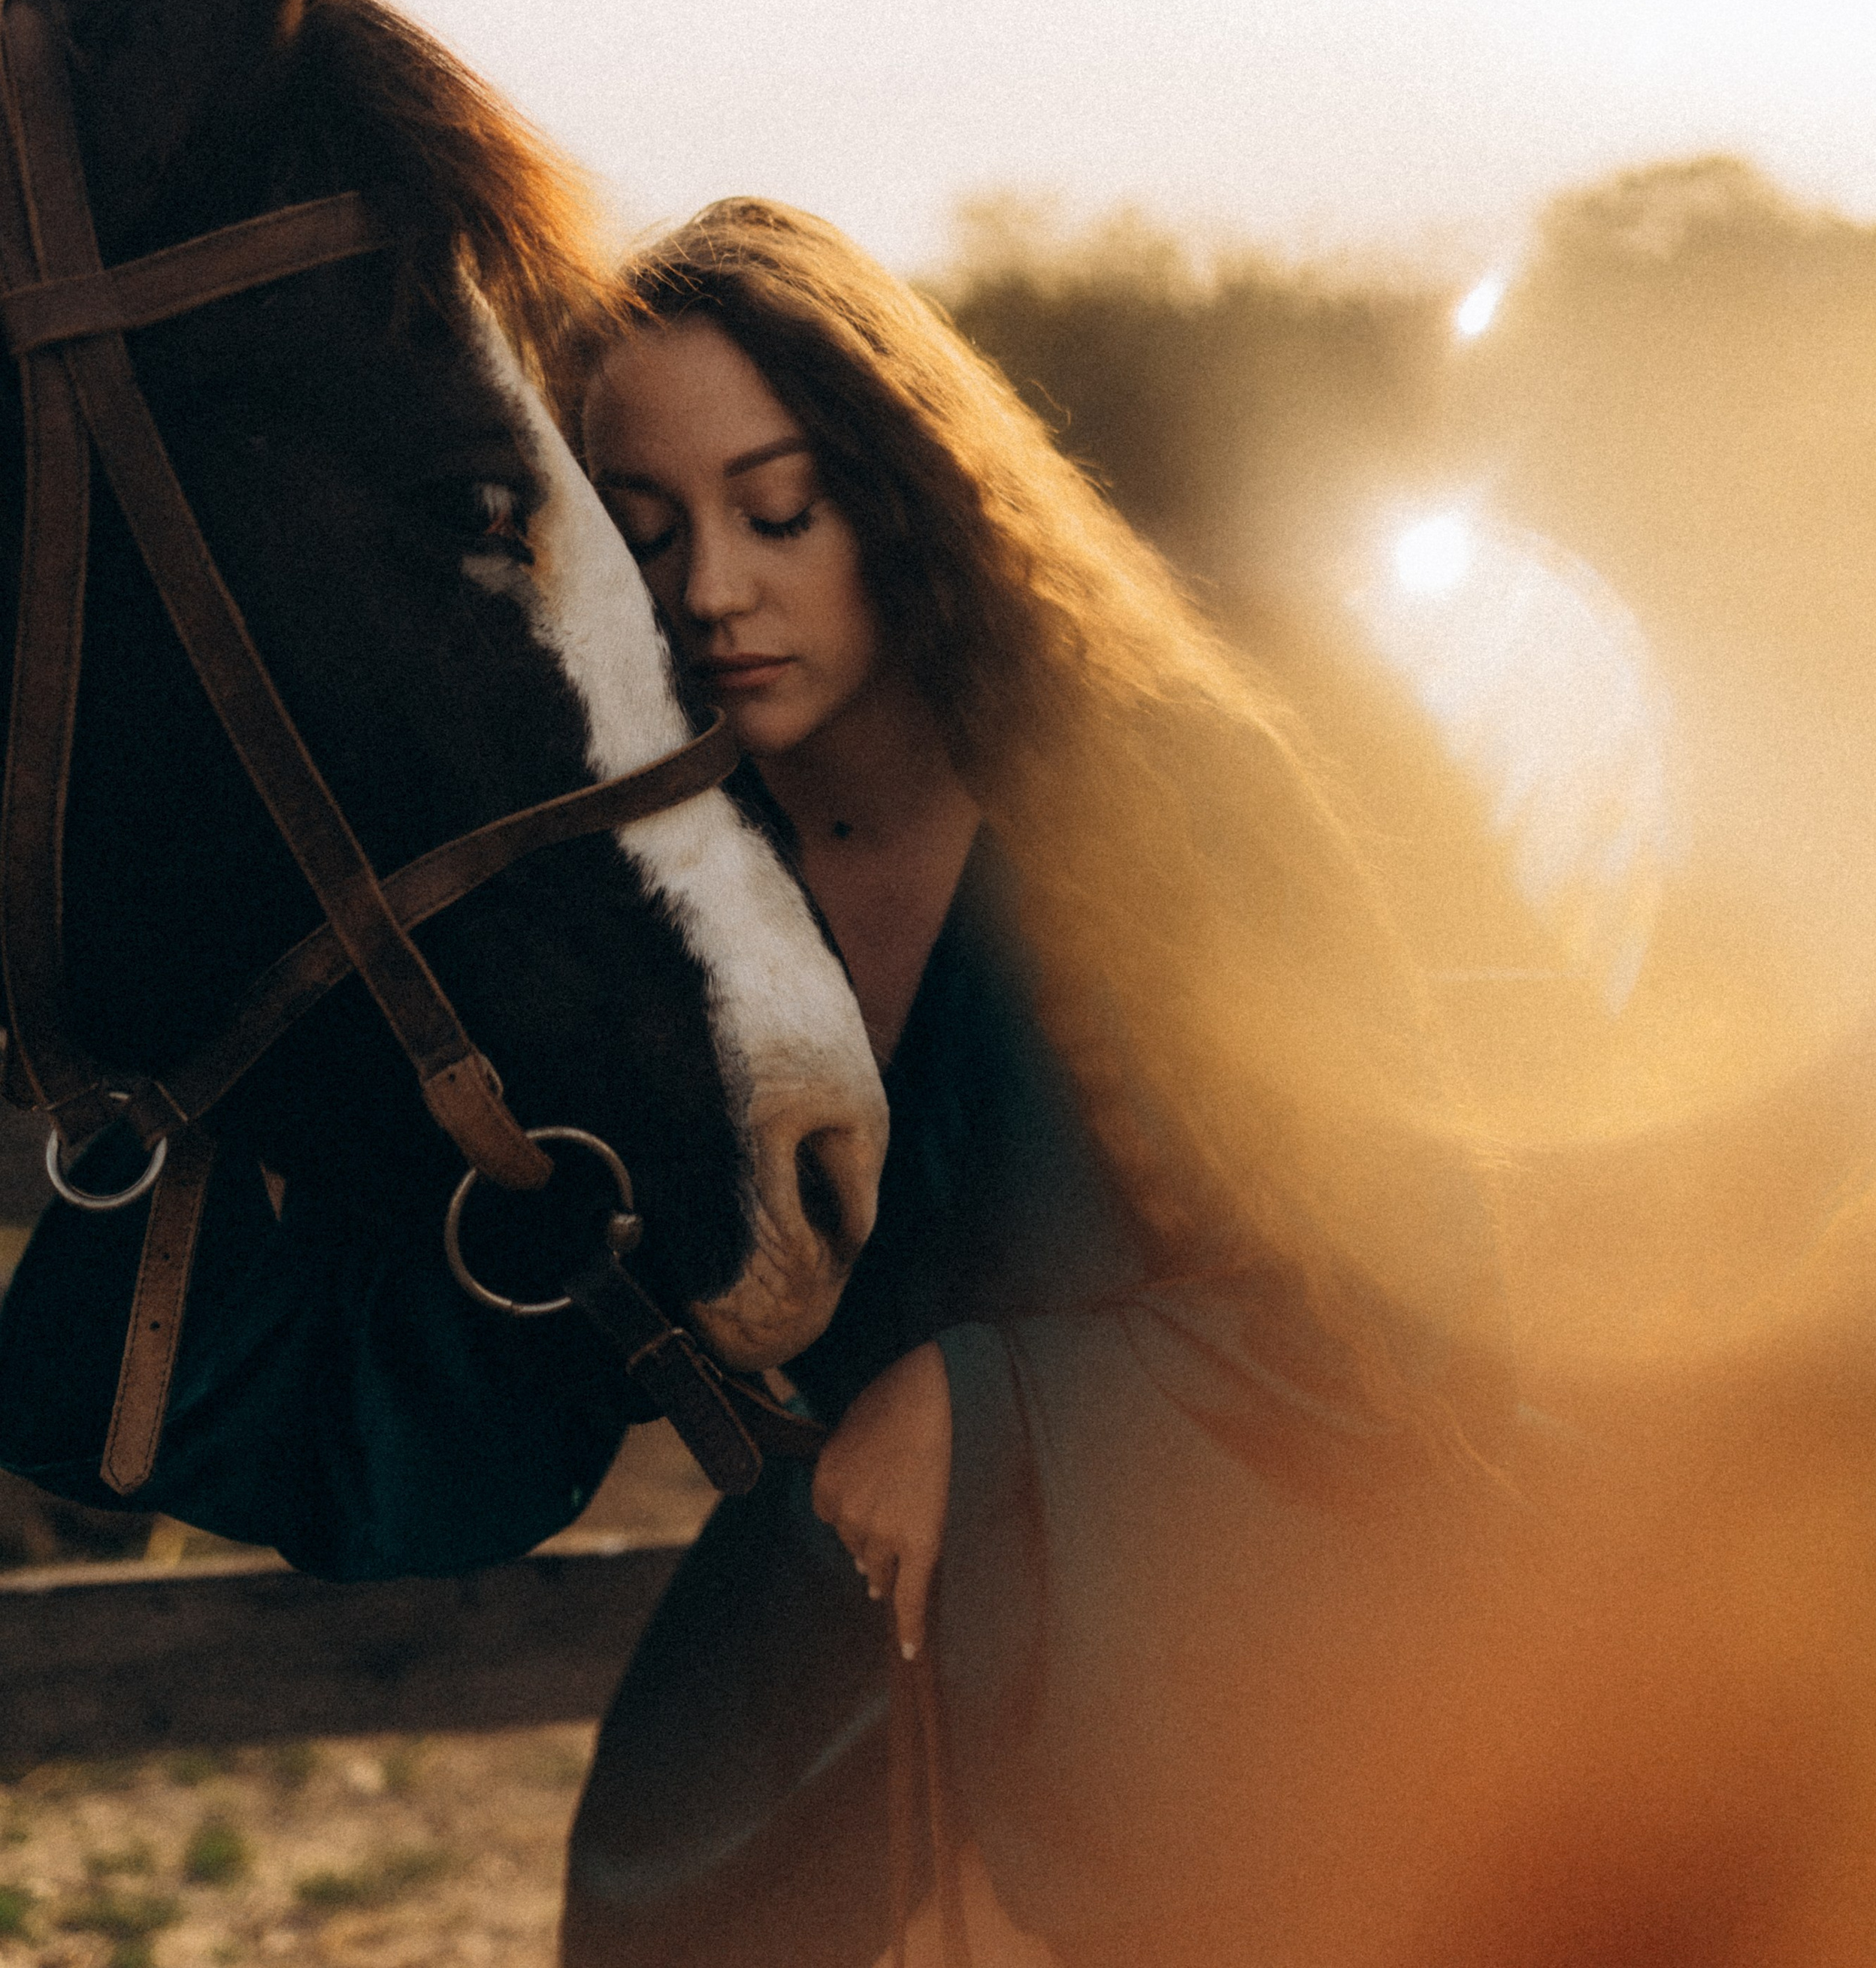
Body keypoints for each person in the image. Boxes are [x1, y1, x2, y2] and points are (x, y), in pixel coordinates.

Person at [564, 198, 1507, 1968]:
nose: (710, 588)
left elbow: (1419, 1296)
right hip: (818, 1722)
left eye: (778, 511)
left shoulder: (1170, 804)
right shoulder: (668, 883)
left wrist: (990, 1407)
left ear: (904, 491)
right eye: (645, 534)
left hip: (1205, 1702)